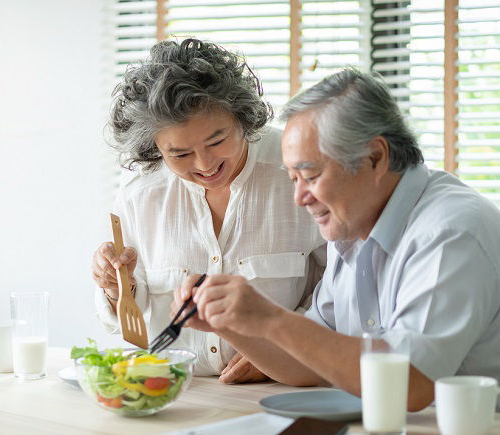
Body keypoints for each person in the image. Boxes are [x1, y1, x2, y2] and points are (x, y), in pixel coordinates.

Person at [176, 68, 500, 420]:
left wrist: (271, 318)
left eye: (310, 175)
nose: (299, 198)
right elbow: (308, 364)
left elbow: (409, 383)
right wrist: (230, 323)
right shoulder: (353, 231)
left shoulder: (451, 232)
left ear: (375, 157)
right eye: (293, 179)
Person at [91, 38, 326, 381]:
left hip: (283, 391)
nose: (205, 164)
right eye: (181, 154)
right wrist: (115, 289)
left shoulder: (299, 172)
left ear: (242, 118)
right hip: (175, 395)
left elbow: (339, 293)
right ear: (154, 148)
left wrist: (283, 353)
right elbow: (132, 321)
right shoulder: (139, 196)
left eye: (217, 141)